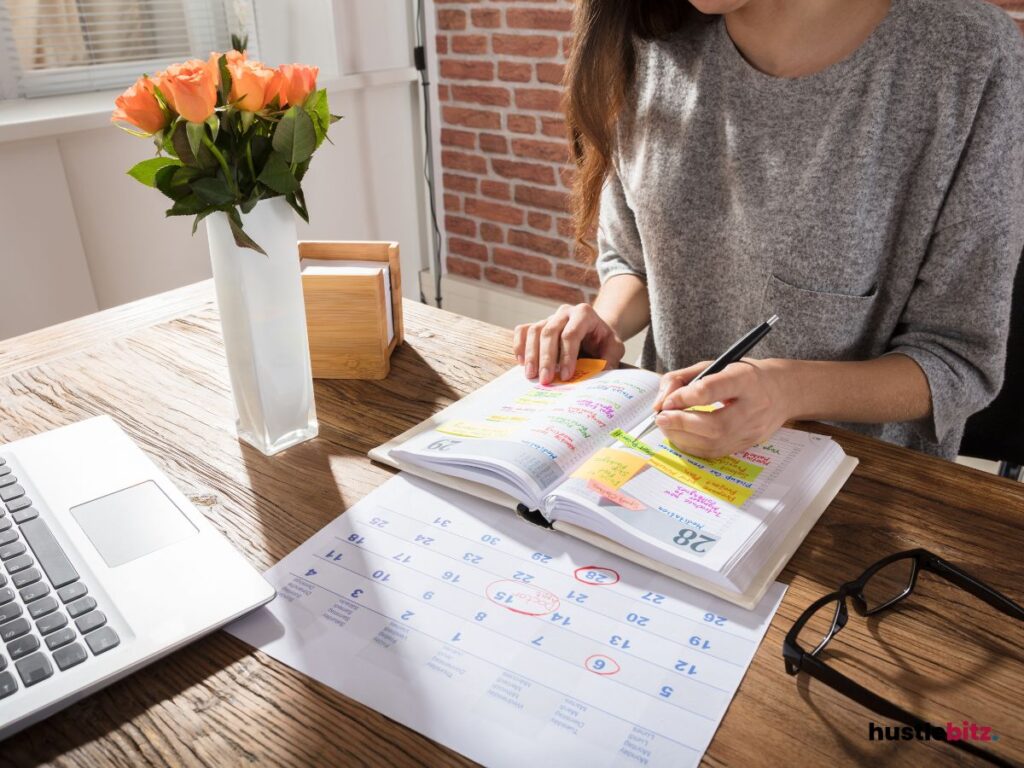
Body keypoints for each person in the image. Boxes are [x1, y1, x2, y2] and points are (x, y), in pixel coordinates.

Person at [513, 0, 1024, 460]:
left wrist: (788, 390)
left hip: (854, 490)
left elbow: (958, 360)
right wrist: (604, 323)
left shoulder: (967, 57)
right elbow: (635, 262)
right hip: (666, 460)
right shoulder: (650, 39)